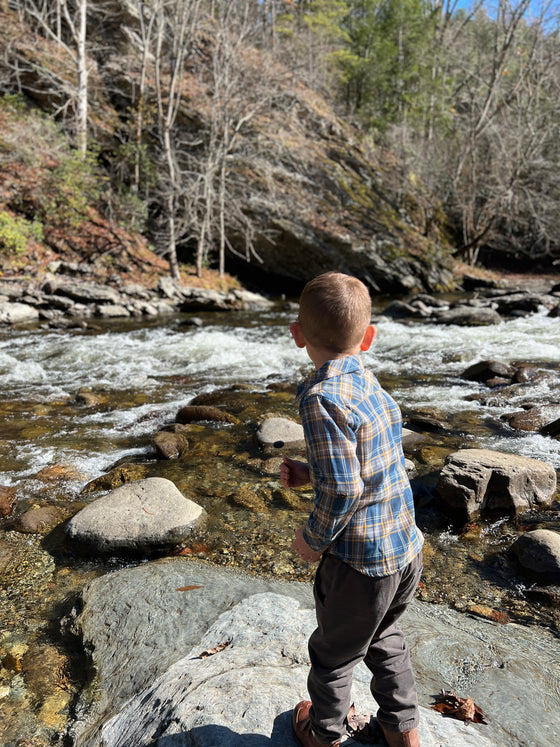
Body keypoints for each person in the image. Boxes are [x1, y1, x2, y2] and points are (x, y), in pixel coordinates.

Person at [280, 272, 423, 747]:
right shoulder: (367, 380)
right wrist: (311, 471)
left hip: (359, 564)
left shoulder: (322, 399)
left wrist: (311, 538)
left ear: (297, 335)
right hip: (403, 551)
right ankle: (403, 733)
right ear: (368, 338)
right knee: (385, 639)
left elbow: (344, 491)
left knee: (332, 656)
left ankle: (323, 734)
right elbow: (371, 462)